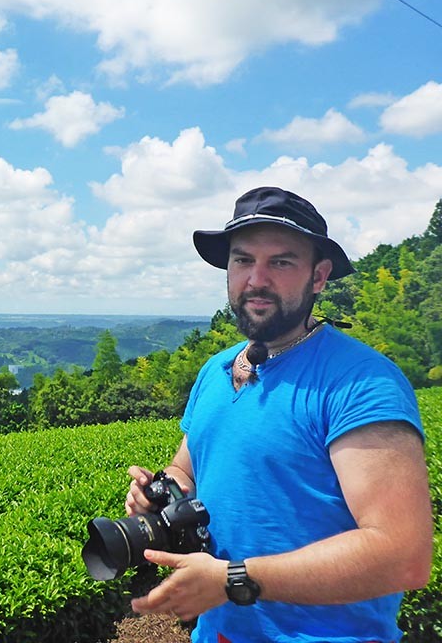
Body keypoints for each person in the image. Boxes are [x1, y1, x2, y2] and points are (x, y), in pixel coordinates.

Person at [126, 186, 433, 642]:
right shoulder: (216, 370)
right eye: (243, 260)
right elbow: (185, 467)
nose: (256, 279)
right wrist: (160, 491)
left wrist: (233, 579)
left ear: (319, 276)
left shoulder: (362, 383)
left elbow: (402, 555)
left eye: (282, 262)